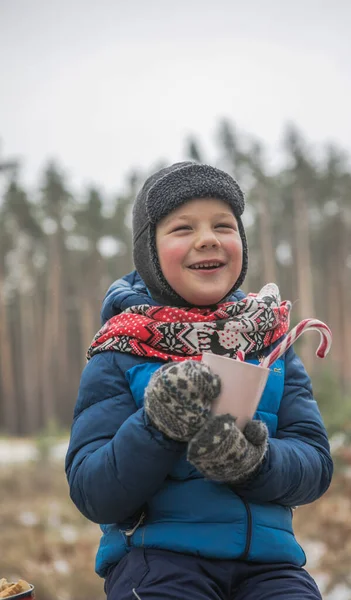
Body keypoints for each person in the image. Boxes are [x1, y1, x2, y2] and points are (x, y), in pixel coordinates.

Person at [65, 162, 333, 600]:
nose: (207, 238)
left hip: (271, 569)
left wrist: (255, 463)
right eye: (183, 228)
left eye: (223, 225)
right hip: (156, 565)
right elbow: (94, 492)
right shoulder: (120, 348)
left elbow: (315, 466)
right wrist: (158, 424)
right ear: (148, 252)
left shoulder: (269, 342)